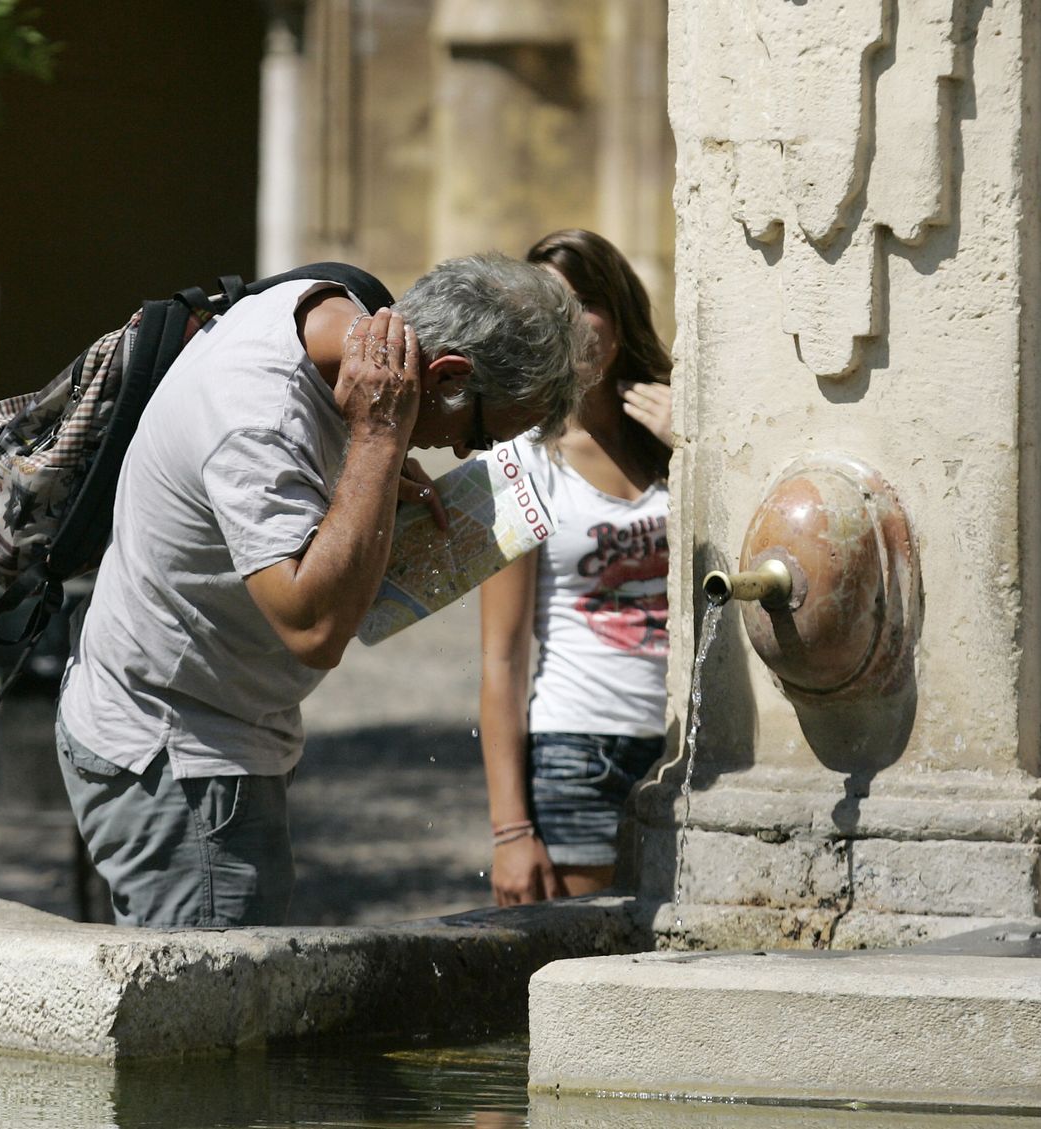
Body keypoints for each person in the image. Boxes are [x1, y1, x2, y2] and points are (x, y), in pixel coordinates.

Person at [55, 253, 589, 928]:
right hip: (178, 755)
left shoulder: (332, 316)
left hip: (207, 732)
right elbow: (312, 629)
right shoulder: (260, 415)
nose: (460, 455)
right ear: (447, 375)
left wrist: (367, 471)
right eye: (477, 435)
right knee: (216, 1023)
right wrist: (376, 439)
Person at [477, 229, 673, 905]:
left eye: (584, 300)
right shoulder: (517, 461)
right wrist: (510, 831)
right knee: (592, 977)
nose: (569, 322)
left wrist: (705, 445)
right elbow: (501, 660)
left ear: (617, 313)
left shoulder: (677, 440)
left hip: (691, 753)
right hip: (577, 752)